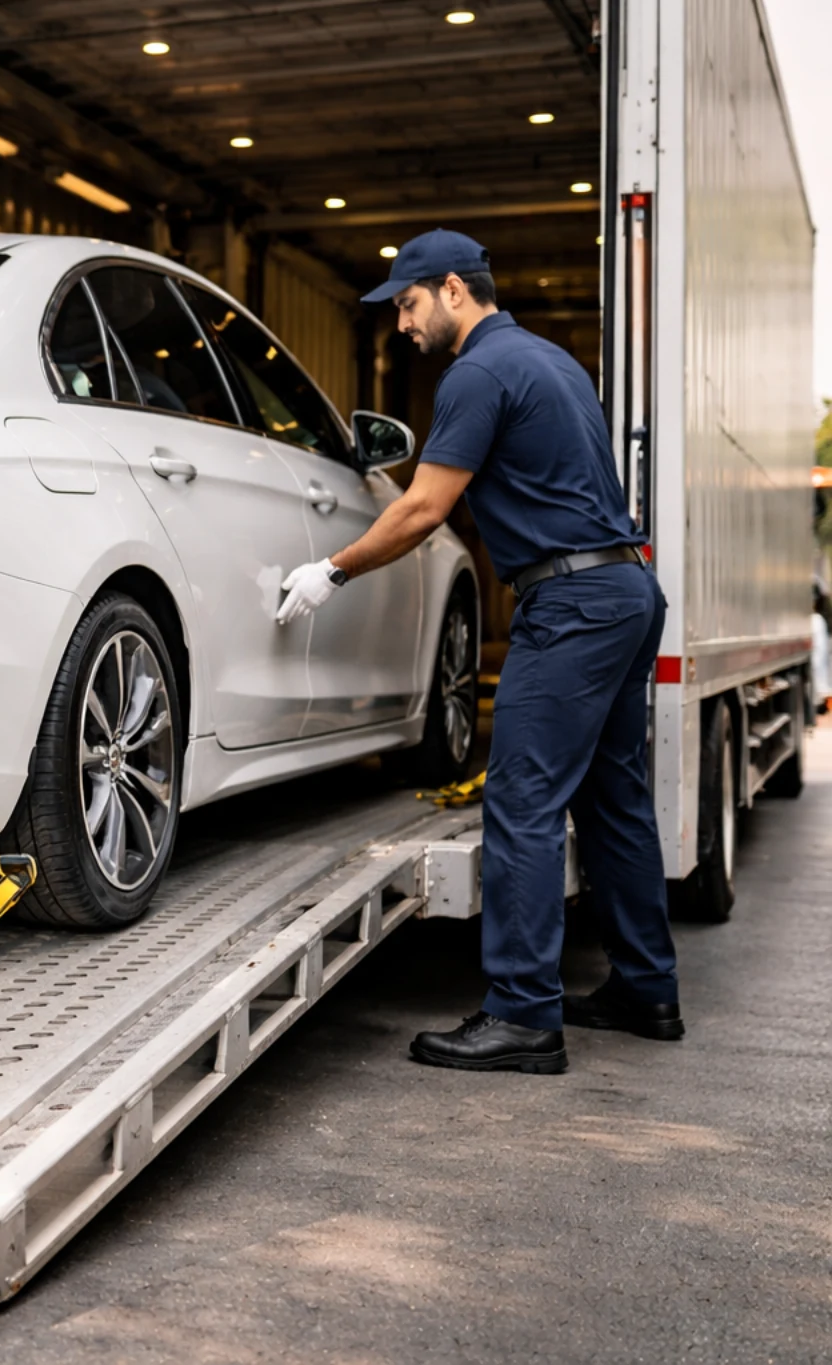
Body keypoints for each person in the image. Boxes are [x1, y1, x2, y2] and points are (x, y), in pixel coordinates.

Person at [275, 228, 681, 1074]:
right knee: (613, 799)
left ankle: (525, 1015)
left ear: (454, 289)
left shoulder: (478, 373)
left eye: (410, 304)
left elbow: (425, 507)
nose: (401, 325)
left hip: (569, 603)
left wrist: (332, 568)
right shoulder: (552, 362)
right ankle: (647, 988)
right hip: (624, 591)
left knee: (523, 800)